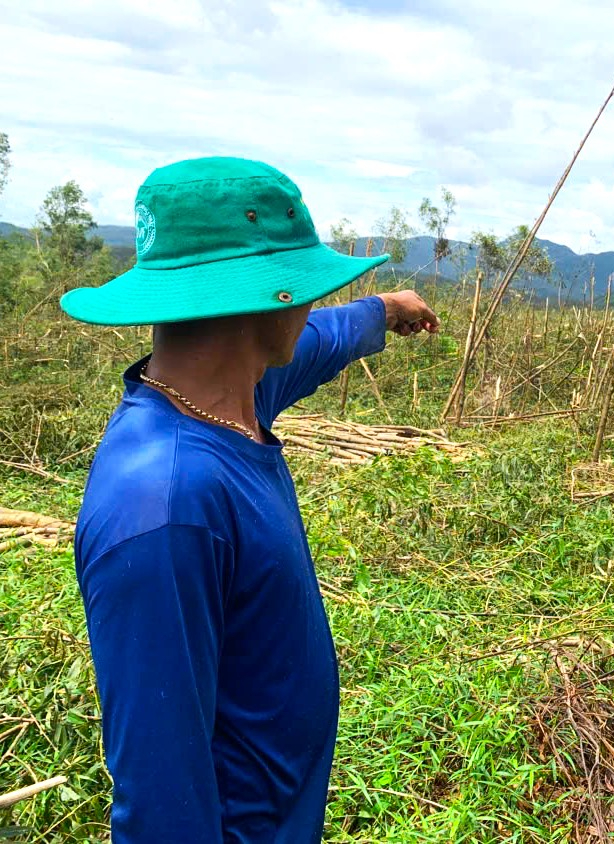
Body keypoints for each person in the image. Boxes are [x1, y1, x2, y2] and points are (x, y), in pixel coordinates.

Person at [59, 156, 440, 843]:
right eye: (301, 286)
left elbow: (315, 343)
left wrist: (383, 311)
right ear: (269, 296)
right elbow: (158, 804)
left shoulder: (230, 398)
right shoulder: (168, 505)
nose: (309, 303)